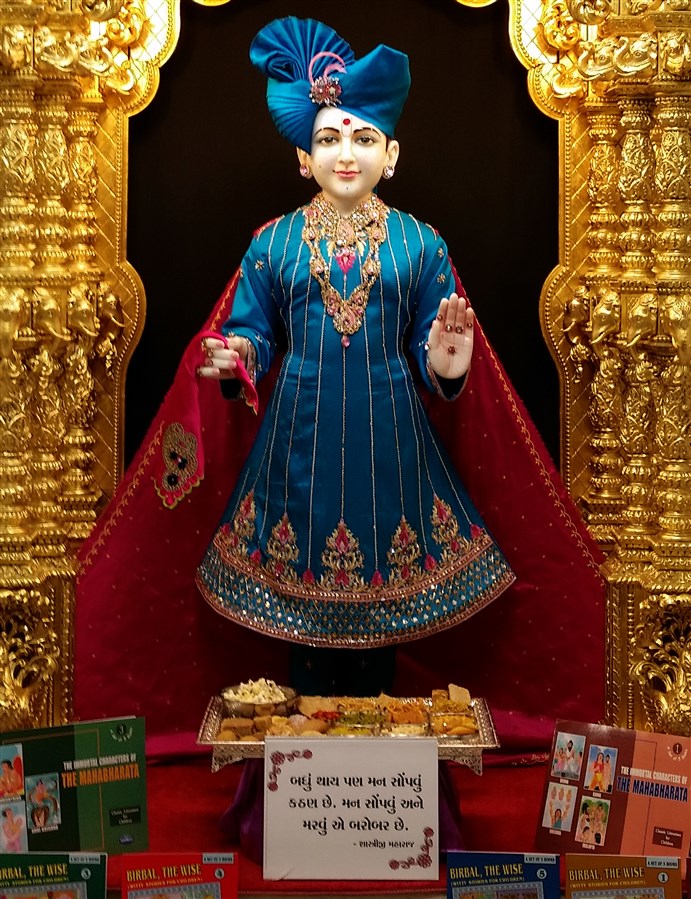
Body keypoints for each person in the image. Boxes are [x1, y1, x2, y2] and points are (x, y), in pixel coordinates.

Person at [192, 16, 514, 693]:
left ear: (391, 155)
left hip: (389, 435)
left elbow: (432, 341)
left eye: (364, 139)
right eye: (329, 138)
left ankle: (375, 742)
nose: (346, 153)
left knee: (380, 620)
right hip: (297, 437)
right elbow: (255, 332)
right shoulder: (272, 242)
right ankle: (307, 745)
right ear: (302, 158)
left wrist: (446, 364)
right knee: (301, 624)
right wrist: (238, 355)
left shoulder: (420, 243)